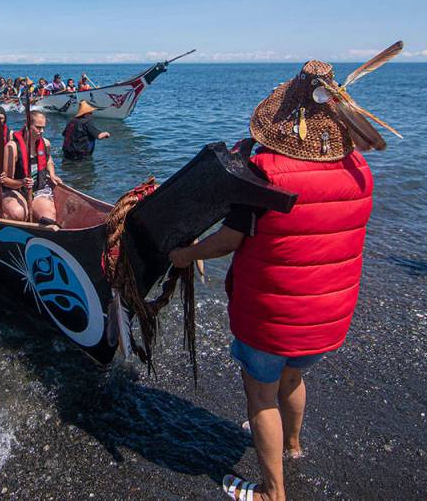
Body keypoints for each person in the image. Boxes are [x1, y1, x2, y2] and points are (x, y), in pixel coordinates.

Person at [168, 58, 397, 501]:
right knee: (294, 377)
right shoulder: (359, 171)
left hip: (272, 315)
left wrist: (185, 254)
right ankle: (292, 446)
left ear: (279, 123)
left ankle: (273, 493)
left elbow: (226, 242)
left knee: (262, 396)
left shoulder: (264, 174)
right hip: (329, 314)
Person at [0, 111, 63, 223]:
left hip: (38, 189)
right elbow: (6, 181)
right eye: (38, 127)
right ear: (27, 125)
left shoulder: (45, 143)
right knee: (18, 213)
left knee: (49, 216)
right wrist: (22, 182)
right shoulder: (12, 147)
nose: (41, 131)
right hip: (16, 189)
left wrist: (52, 174)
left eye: (43, 128)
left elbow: (48, 160)